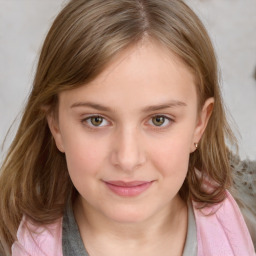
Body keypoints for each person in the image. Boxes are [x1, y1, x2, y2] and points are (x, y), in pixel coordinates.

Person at [0, 0, 255, 255]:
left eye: (159, 120)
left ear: (200, 123)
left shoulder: (247, 219)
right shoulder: (11, 242)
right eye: (96, 120)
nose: (127, 159)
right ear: (55, 124)